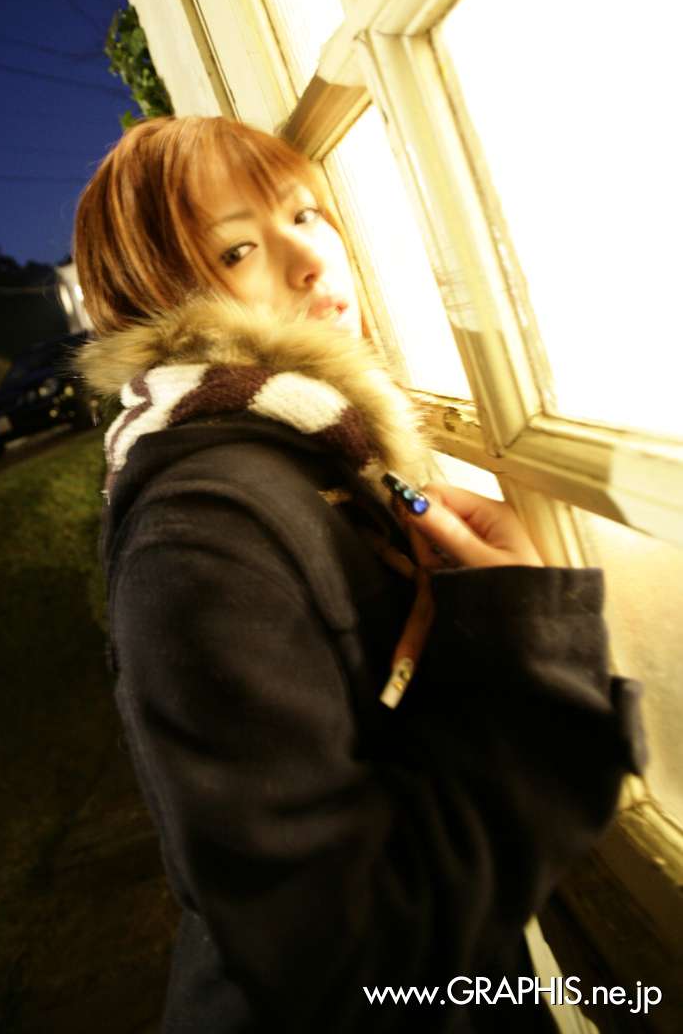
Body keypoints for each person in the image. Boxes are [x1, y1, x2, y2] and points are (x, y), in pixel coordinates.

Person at [74, 116, 645, 1033]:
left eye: (306, 213)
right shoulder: (204, 535)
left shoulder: (314, 452)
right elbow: (347, 966)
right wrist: (520, 635)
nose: (309, 259)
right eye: (237, 249)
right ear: (162, 303)